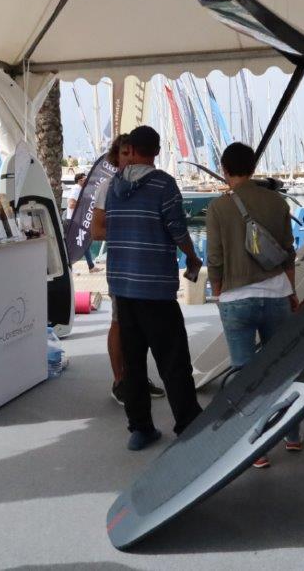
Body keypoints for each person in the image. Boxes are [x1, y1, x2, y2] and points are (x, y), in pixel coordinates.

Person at [106, 125, 203, 450]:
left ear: (131, 149)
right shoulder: (164, 184)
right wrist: (192, 257)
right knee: (173, 359)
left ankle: (140, 429)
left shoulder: (113, 186)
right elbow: (177, 229)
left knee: (133, 363)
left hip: (122, 286)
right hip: (156, 289)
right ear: (157, 152)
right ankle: (188, 423)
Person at [206, 142, 300, 468]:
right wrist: (292, 290)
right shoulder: (277, 201)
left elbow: (215, 258)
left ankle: (256, 449)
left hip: (236, 298)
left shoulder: (218, 207)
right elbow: (288, 252)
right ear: (253, 167)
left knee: (245, 377)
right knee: (280, 369)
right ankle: (291, 435)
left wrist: (219, 293)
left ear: (225, 169)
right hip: (277, 293)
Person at [91, 134, 165, 404]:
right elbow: (96, 231)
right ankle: (120, 381)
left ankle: (138, 377)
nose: (129, 159)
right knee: (119, 323)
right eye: (123, 154)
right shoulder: (107, 187)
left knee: (143, 327)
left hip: (148, 270)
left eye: (131, 153)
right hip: (122, 269)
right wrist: (131, 228)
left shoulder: (150, 185)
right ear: (117, 156)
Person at [65, 172, 98, 272]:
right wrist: (84, 203)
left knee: (83, 241)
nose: (87, 180)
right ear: (79, 180)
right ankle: (69, 268)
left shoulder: (80, 189)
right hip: (73, 221)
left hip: (76, 221)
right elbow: (71, 204)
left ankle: (91, 266)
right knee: (73, 244)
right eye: (85, 179)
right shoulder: (76, 188)